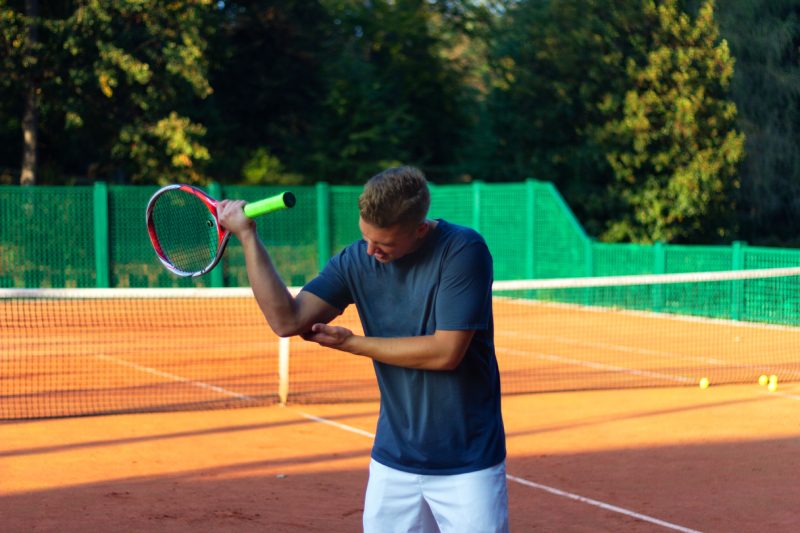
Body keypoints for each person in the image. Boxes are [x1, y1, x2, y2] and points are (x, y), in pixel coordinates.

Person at [219, 166, 508, 533]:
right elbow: (287, 321)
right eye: (365, 238)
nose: (371, 251)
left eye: (384, 245)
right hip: (393, 461)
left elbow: (445, 352)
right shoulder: (357, 259)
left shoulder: (463, 251)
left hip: (467, 463)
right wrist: (247, 236)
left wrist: (351, 343)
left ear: (419, 229)